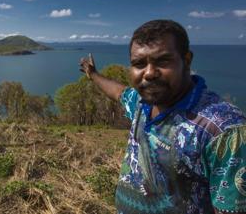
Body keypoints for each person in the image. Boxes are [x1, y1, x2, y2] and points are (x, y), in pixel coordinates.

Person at [79, 19, 246, 214]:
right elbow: (118, 92)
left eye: (163, 61)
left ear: (187, 60)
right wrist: (93, 74)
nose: (149, 73)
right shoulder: (142, 104)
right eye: (139, 64)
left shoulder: (223, 132)